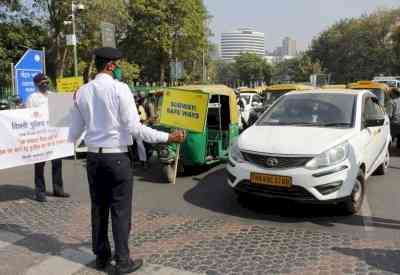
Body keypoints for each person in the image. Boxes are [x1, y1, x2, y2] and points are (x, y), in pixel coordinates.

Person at [68, 47, 185, 274]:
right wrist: (168, 137)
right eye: (118, 64)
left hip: (93, 159)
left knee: (98, 209)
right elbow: (134, 128)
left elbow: (74, 133)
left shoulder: (82, 92)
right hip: (117, 158)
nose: (120, 69)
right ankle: (123, 261)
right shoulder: (120, 89)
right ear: (110, 65)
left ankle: (101, 257)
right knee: (120, 211)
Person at [26, 73, 70, 202]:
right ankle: (40, 192)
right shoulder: (32, 98)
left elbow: (62, 113)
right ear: (36, 85)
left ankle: (58, 190)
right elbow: (28, 117)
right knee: (39, 165)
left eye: (46, 82)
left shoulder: (53, 96)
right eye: (42, 83)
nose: (45, 85)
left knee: (57, 163)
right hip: (40, 137)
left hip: (54, 136)